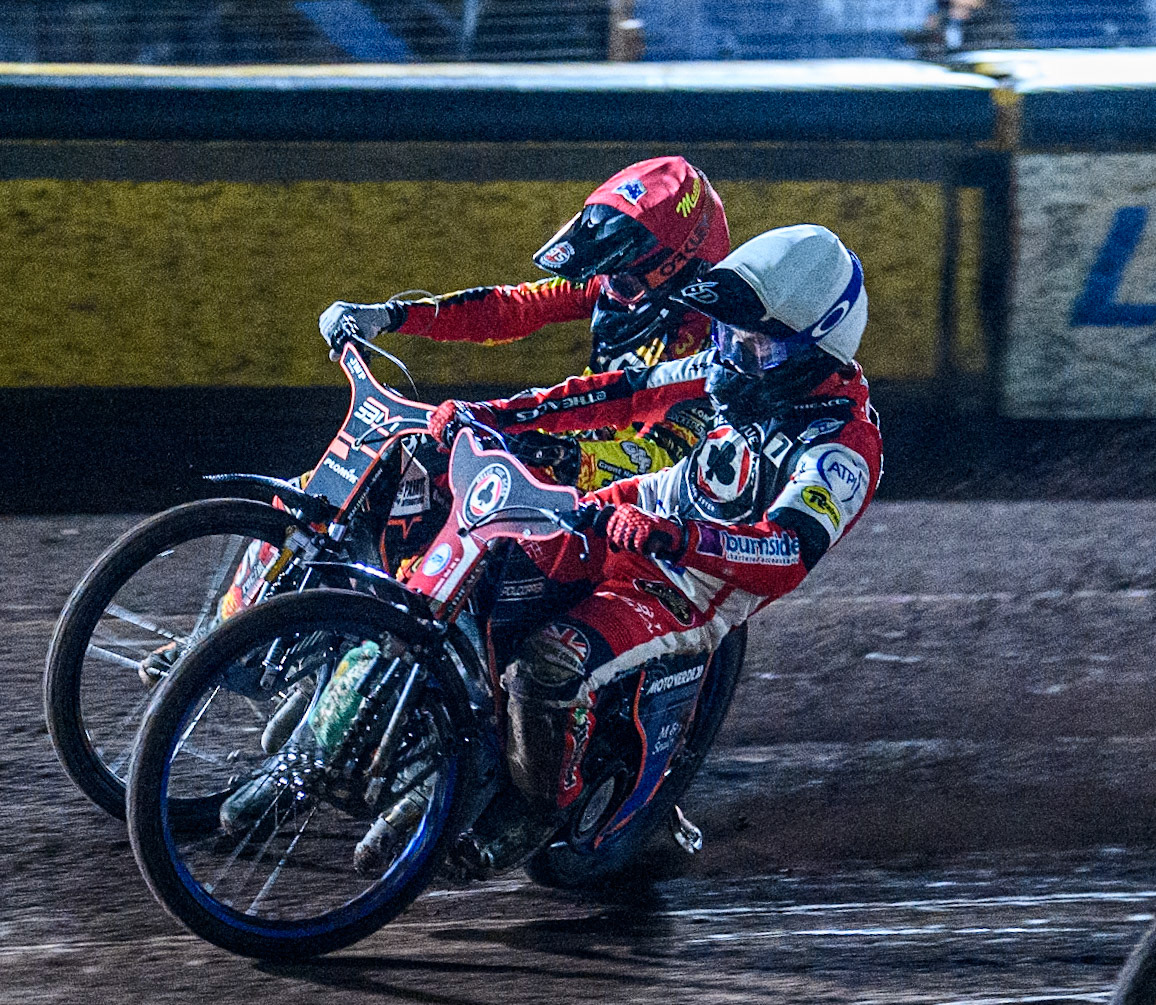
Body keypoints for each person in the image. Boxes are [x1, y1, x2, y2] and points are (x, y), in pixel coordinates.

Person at [429, 223, 884, 871]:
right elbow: (617, 395)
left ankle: (538, 804)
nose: (734, 356)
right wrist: (493, 414)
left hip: (684, 581)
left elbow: (786, 551)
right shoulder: (730, 363)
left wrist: (680, 537)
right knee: (487, 552)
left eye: (759, 347)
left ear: (820, 347)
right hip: (632, 514)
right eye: (728, 336)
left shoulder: (843, 447)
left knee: (547, 664)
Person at [319, 156, 731, 490]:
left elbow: (664, 464)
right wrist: (391, 315)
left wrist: (560, 457)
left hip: (619, 508)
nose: (604, 285)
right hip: (565, 445)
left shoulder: (713, 346)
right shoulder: (619, 283)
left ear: (678, 269)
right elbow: (510, 309)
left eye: (620, 277)